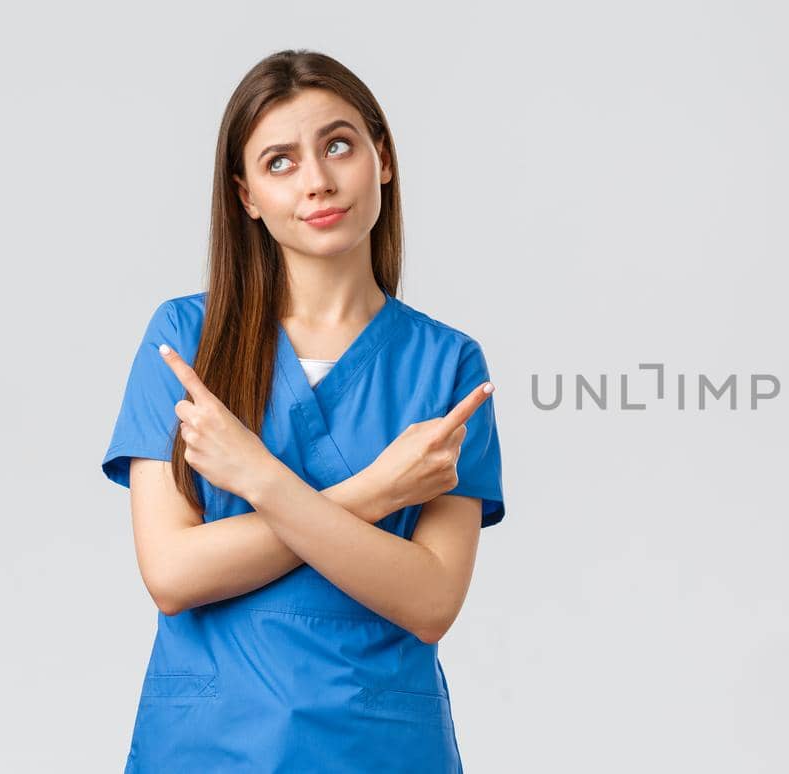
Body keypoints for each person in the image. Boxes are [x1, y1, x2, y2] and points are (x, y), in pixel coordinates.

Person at [99, 49, 506, 772]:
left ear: (382, 158)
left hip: (377, 747)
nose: (316, 180)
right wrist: (374, 494)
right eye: (279, 162)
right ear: (246, 195)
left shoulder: (446, 366)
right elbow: (172, 574)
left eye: (338, 145)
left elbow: (432, 599)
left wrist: (259, 478)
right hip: (209, 747)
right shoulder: (184, 342)